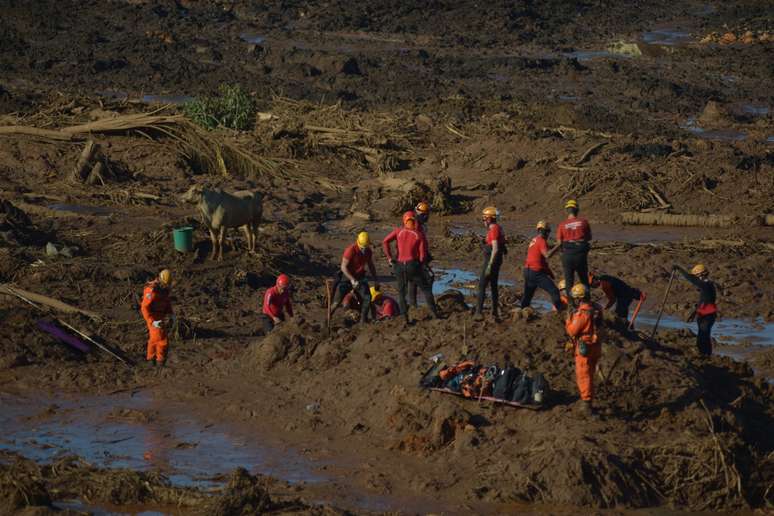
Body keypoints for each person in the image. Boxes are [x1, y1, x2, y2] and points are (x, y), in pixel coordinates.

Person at [383, 211, 440, 324]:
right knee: (426, 289)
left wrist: (389, 258)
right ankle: (435, 315)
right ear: (415, 221)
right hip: (412, 265)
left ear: (404, 221)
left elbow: (385, 241)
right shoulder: (419, 234)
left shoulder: (398, 231)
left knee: (401, 293)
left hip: (399, 266)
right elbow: (422, 256)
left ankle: (405, 318)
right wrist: (422, 266)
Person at [564, 283, 602, 416]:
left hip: (584, 347)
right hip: (596, 346)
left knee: (583, 375)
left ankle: (586, 404)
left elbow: (572, 331)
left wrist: (568, 320)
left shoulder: (582, 314)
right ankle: (589, 400)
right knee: (590, 374)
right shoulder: (596, 308)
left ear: (579, 298)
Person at [329, 232, 378, 324]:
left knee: (367, 298)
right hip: (347, 277)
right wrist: (352, 279)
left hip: (360, 277)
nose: (363, 249)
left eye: (365, 247)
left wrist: (375, 279)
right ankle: (327, 319)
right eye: (362, 247)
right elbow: (343, 267)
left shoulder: (368, 251)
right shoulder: (350, 250)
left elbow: (371, 265)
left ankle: (363, 321)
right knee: (336, 302)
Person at [551, 200, 592, 300]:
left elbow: (559, 243)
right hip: (580, 254)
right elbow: (589, 237)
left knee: (569, 280)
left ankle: (571, 304)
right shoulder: (584, 222)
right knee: (584, 278)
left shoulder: (562, 225)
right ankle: (587, 301)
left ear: (567, 211)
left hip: (567, 255)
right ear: (577, 210)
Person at [673, 263, 717, 356]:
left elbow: (692, 279)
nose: (697, 278)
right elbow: (703, 300)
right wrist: (695, 312)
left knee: (703, 336)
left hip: (708, 316)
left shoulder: (706, 285)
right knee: (701, 336)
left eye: (697, 276)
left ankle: (706, 355)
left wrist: (679, 269)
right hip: (703, 314)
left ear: (701, 275)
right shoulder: (706, 285)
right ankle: (703, 354)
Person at [520, 221, 563, 311]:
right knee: (554, 291)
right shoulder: (542, 241)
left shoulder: (534, 240)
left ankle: (522, 311)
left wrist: (549, 272)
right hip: (536, 272)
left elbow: (539, 258)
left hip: (528, 271)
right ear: (545, 232)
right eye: (547, 232)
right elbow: (547, 255)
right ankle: (560, 311)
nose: (548, 234)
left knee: (528, 296)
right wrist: (558, 245)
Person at [474, 207, 506, 320]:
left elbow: (495, 248)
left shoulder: (494, 229)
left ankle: (478, 312)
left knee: (482, 284)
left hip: (492, 260)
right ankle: (494, 312)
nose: (483, 221)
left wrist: (489, 265)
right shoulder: (498, 228)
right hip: (497, 260)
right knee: (493, 285)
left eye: (484, 219)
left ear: (488, 219)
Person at [140, 269, 174, 366]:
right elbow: (144, 308)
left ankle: (153, 359)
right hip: (153, 317)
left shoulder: (164, 291)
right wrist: (152, 321)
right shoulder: (151, 290)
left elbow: (166, 302)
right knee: (160, 339)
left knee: (158, 338)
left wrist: (171, 314)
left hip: (161, 316)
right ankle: (158, 361)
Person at [408, 201, 433, 308]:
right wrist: (423, 259)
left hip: (415, 257)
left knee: (413, 282)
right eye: (426, 215)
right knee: (428, 279)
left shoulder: (419, 225)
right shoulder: (416, 227)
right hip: (417, 257)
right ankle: (430, 306)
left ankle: (413, 305)